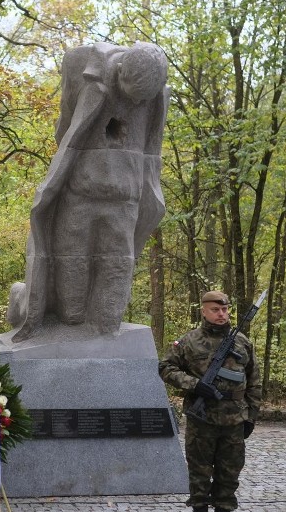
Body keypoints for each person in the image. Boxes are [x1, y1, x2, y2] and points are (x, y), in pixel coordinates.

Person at [9, 41, 169, 342]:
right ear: (119, 70)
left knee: (113, 291)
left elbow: (153, 151)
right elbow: (66, 126)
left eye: (142, 100)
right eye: (130, 96)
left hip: (125, 203)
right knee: (71, 303)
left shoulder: (157, 96)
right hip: (78, 196)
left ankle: (103, 333)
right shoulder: (82, 66)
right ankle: (23, 300)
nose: (135, 106)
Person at [158, 291, 261, 512]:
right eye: (215, 310)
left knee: (229, 474)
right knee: (200, 473)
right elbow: (165, 367)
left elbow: (255, 381)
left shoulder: (242, 343)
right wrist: (194, 385)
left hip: (234, 419)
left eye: (225, 310)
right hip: (202, 420)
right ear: (204, 310)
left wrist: (251, 416)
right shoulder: (189, 341)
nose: (221, 314)